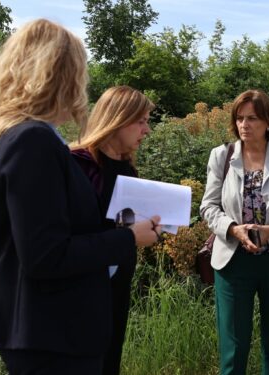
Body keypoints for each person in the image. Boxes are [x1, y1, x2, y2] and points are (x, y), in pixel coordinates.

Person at [0, 19, 161, 374]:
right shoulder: (33, 141)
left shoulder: (22, 136)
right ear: (63, 75)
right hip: (50, 332)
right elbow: (45, 255)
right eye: (80, 70)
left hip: (47, 329)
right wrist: (128, 237)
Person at [200, 89, 269, 374]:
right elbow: (208, 208)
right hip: (233, 262)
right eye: (239, 118)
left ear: (268, 122)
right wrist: (233, 229)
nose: (244, 125)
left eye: (252, 118)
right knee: (233, 348)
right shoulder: (221, 155)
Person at [70, 85, 155, 375]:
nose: (147, 130)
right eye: (141, 121)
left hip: (116, 288)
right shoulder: (79, 166)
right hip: (79, 293)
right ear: (118, 119)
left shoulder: (127, 168)